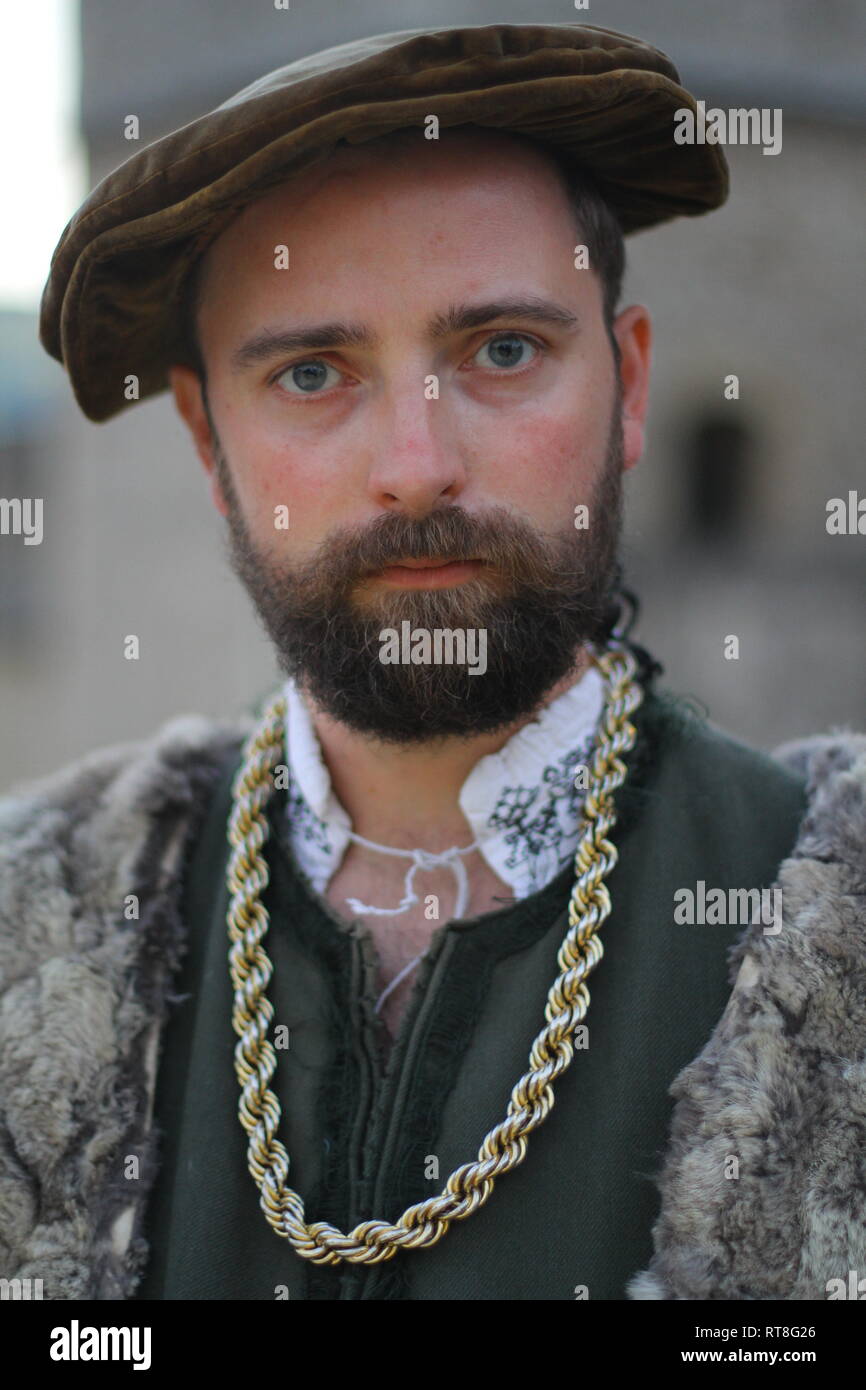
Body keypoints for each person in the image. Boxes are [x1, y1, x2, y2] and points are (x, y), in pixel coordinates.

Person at [2, 21, 864, 1303]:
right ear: (205, 442)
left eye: (501, 352)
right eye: (311, 372)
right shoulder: (27, 938)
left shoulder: (832, 927)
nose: (417, 464)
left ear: (627, 389)